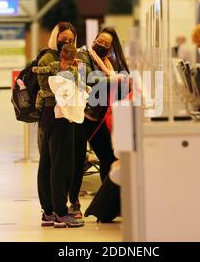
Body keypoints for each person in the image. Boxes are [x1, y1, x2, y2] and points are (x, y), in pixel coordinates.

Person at [69, 27, 131, 219]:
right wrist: (113, 79)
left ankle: (107, 208)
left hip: (101, 116)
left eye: (107, 44)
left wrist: (121, 82)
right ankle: (77, 204)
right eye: (100, 41)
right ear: (94, 39)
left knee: (108, 158)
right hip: (86, 117)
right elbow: (88, 78)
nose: (102, 45)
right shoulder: (83, 55)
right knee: (78, 161)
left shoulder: (108, 62)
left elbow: (117, 87)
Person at [36, 22, 84, 228]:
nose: (67, 42)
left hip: (55, 114)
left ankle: (48, 211)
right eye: (63, 38)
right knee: (60, 164)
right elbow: (45, 84)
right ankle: (60, 212)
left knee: (49, 161)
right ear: (55, 37)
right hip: (57, 113)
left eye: (71, 40)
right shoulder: (49, 57)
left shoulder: (67, 58)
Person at [32, 43, 89, 122]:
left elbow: (45, 70)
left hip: (55, 93)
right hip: (64, 94)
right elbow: (78, 82)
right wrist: (85, 88)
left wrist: (35, 69)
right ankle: (68, 115)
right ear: (73, 60)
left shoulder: (54, 65)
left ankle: (38, 110)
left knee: (40, 93)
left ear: (61, 56)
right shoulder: (73, 70)